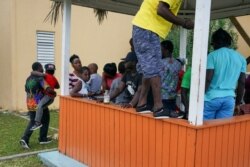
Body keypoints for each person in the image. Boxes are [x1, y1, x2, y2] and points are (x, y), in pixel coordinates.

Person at [132, 0, 194, 116]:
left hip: (148, 29)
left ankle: (142, 103)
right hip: (145, 28)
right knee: (154, 67)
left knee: (150, 67)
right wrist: (183, 23)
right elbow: (161, 9)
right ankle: (159, 107)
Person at [204, 28, 246, 120]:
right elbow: (242, 83)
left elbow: (208, 79)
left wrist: (201, 95)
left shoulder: (212, 56)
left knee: (205, 130)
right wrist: (238, 103)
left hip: (211, 98)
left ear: (216, 42)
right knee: (222, 131)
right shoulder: (241, 58)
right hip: (229, 99)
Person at [20, 62, 52, 149]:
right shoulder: (40, 78)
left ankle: (41, 138)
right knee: (44, 119)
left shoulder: (28, 78)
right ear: (38, 68)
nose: (42, 68)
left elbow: (26, 89)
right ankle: (28, 138)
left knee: (33, 121)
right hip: (39, 104)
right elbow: (47, 88)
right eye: (41, 67)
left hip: (30, 103)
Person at [154, 40, 183, 118]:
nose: (159, 52)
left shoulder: (159, 63)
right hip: (173, 96)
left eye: (161, 50)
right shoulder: (178, 64)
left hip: (162, 97)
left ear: (166, 50)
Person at [30, 64, 60, 131]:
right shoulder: (53, 77)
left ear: (46, 70)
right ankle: (38, 120)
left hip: (48, 96)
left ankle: (37, 123)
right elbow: (58, 86)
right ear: (54, 71)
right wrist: (52, 82)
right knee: (42, 107)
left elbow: (32, 72)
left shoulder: (44, 75)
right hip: (51, 98)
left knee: (40, 106)